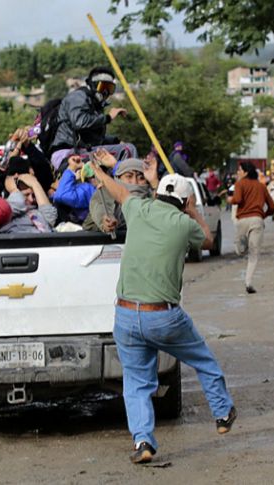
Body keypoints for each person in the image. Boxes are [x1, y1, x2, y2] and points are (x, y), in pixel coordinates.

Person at [88, 160, 237, 464]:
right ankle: (222, 414)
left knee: (136, 382)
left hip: (127, 315)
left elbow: (119, 192)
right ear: (183, 202)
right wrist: (193, 210)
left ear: (156, 195)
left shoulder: (138, 209)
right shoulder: (185, 224)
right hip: (165, 316)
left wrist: (100, 173)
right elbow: (208, 241)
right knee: (204, 361)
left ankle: (143, 440)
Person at [49, 67, 135, 171]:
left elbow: (90, 138)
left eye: (110, 88)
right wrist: (108, 117)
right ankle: (128, 185)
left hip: (80, 150)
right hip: (67, 153)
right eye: (103, 87)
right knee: (128, 149)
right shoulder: (78, 97)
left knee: (120, 148)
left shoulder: (94, 104)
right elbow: (79, 122)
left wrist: (115, 140)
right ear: (93, 85)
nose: (106, 92)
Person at [228, 162, 274, 294]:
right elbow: (272, 207)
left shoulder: (240, 184)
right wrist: (263, 216)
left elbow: (237, 199)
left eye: (239, 170)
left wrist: (229, 200)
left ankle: (241, 249)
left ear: (245, 172)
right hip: (257, 221)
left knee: (240, 251)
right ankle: (248, 282)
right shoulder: (261, 186)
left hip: (242, 220)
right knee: (254, 254)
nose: (238, 172)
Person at [82, 154, 156, 233]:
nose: (134, 182)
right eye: (129, 176)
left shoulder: (151, 196)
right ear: (118, 178)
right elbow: (99, 206)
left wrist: (155, 183)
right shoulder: (106, 191)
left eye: (141, 178)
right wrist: (105, 221)